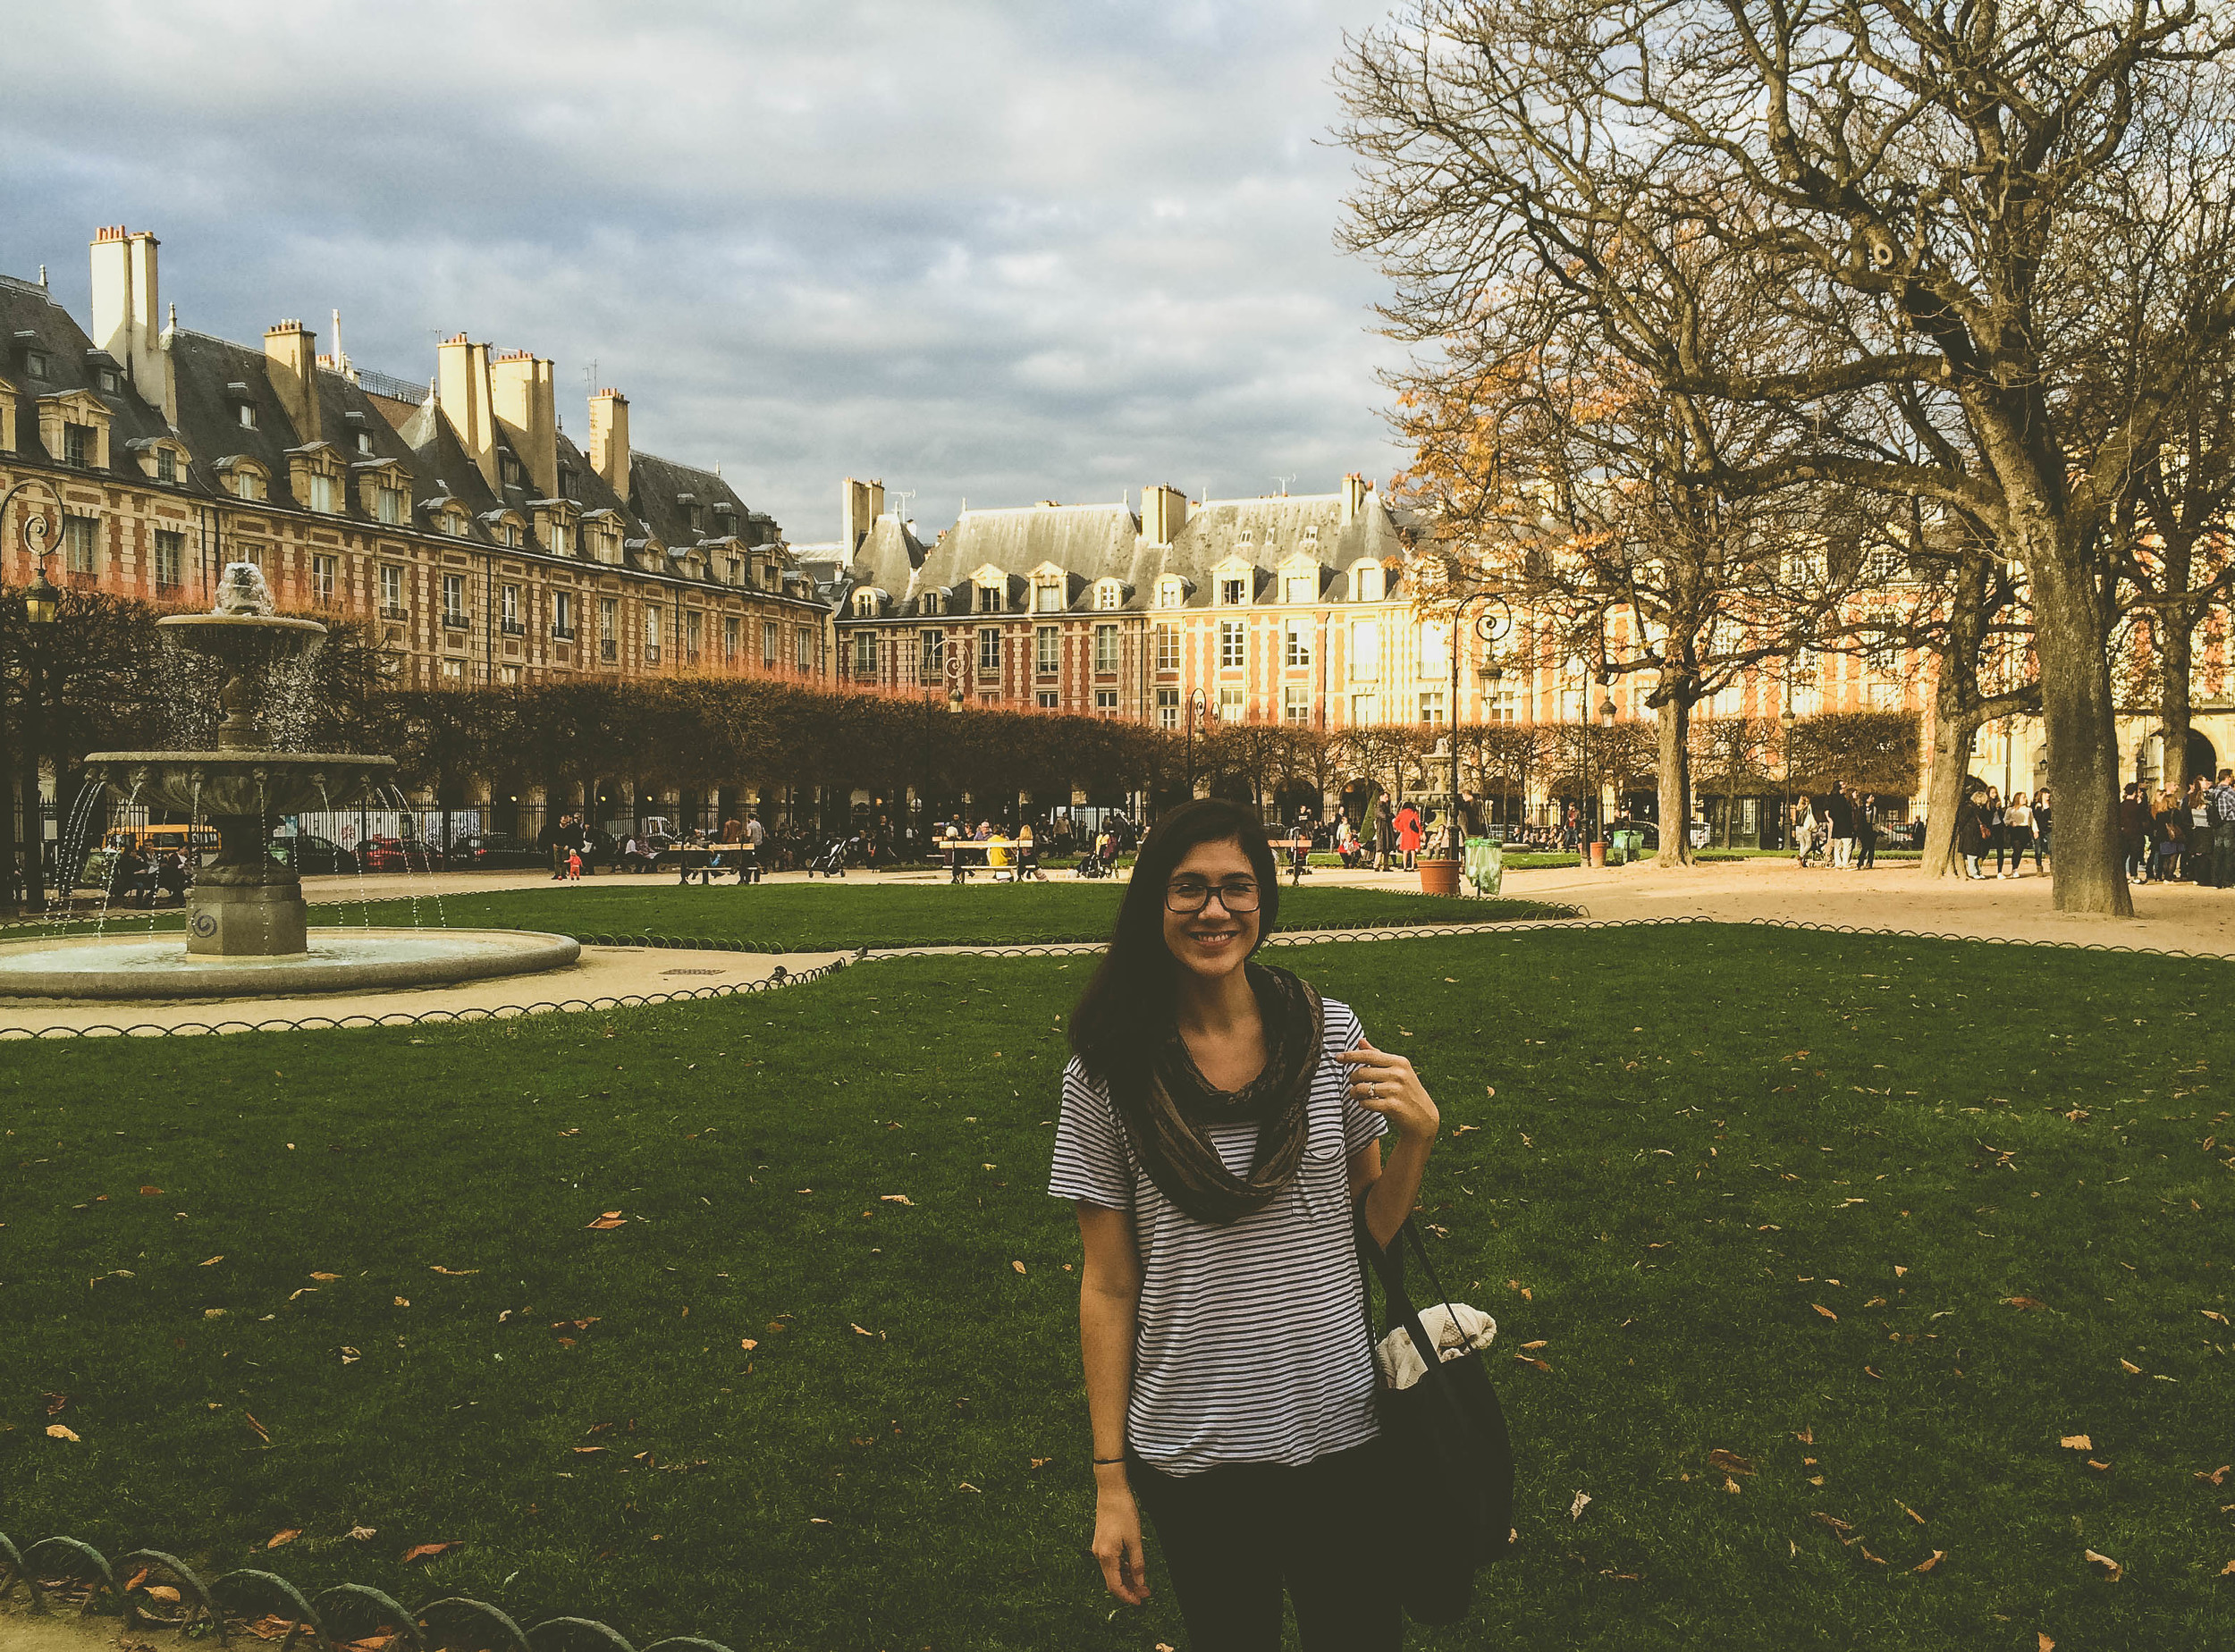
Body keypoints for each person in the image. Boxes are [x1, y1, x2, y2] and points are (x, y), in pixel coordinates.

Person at [1052, 799, 1439, 1648]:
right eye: (1188, 889)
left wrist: (1416, 1140)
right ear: (1154, 902)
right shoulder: (1108, 1070)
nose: (1214, 911)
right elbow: (1109, 1286)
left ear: (1264, 902)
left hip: (1338, 1430)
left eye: (1236, 888)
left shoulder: (1330, 1035)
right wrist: (1110, 1480)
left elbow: (1367, 1231)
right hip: (1196, 1451)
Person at [2118, 782, 2151, 884]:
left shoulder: (2121, 805)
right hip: (2136, 833)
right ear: (2135, 792)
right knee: (2134, 856)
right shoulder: (2137, 806)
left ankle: (2122, 875)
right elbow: (2144, 816)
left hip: (2124, 833)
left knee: (2123, 856)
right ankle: (2133, 875)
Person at [2212, 769, 2235, 889]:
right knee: (2229, 853)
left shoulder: (2214, 791)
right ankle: (2228, 881)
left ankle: (2216, 880)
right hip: (2229, 823)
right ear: (2227, 777)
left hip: (2217, 824)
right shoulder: (2229, 792)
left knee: (2217, 852)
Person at [2003, 791, 2035, 879]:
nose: (2025, 799)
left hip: (2024, 830)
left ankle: (2015, 867)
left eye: (2025, 797)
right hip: (2015, 830)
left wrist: (2035, 831)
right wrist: (2010, 822)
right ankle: (2014, 869)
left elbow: (2032, 821)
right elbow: (2005, 820)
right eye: (2023, 797)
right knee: (2017, 849)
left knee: (2020, 851)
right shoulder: (2011, 809)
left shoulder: (2029, 809)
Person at [1826, 783, 1855, 868]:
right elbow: (1847, 813)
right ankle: (1845, 863)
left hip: (1837, 826)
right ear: (1840, 789)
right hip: (1845, 825)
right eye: (1844, 787)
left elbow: (1830, 813)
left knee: (1837, 847)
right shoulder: (1843, 800)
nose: (1845, 789)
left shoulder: (1832, 799)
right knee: (1847, 844)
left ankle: (1838, 864)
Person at [1854, 793, 1878, 870]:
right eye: (1871, 797)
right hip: (1863, 829)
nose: (1873, 798)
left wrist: (1876, 830)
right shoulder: (1861, 808)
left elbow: (1877, 820)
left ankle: (1869, 863)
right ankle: (1860, 861)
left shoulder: (1874, 808)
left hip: (1872, 829)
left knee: (1871, 847)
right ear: (1867, 799)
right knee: (1865, 846)